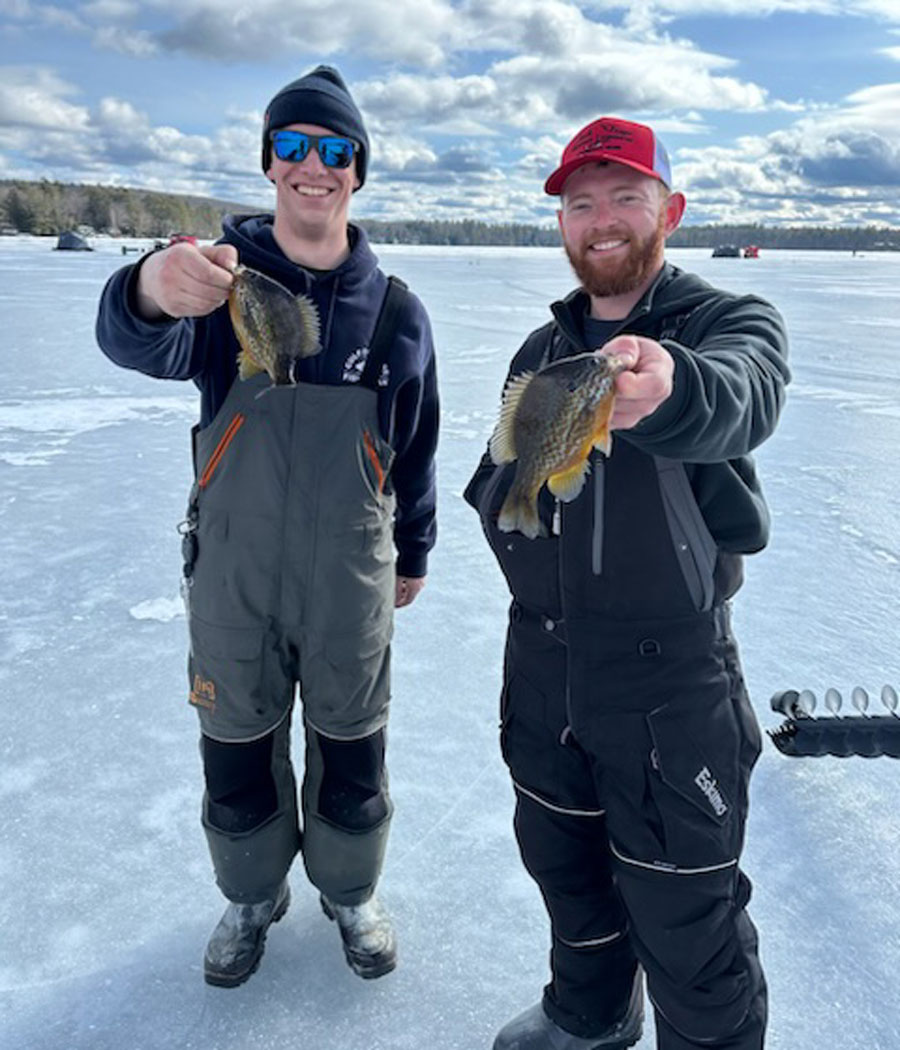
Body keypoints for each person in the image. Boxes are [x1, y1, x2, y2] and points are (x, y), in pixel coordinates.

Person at [96, 65, 438, 988]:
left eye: (334, 151)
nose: (312, 166)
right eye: (293, 146)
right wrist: (149, 287)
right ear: (270, 162)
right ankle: (251, 895)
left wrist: (414, 550)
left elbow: (416, 448)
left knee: (353, 749)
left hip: (349, 583)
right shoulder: (222, 288)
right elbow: (138, 340)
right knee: (236, 751)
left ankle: (350, 892)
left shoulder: (397, 311)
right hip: (235, 578)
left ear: (357, 172)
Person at [464, 116, 789, 1050]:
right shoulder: (542, 350)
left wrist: (670, 387)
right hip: (544, 669)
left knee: (690, 919)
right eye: (580, 203)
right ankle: (590, 1016)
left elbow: (745, 388)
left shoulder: (726, 322)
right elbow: (509, 469)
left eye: (625, 197)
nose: (601, 220)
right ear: (561, 225)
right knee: (566, 871)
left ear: (670, 211)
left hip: (670, 685)